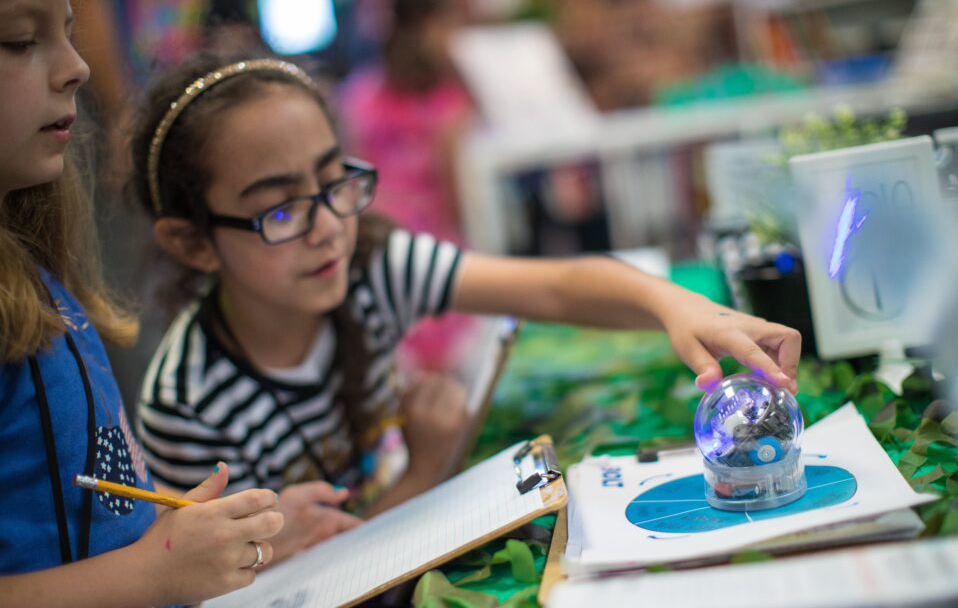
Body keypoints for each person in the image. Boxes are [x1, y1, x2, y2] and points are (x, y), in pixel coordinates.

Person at [129, 53, 801, 567]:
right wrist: (426, 466)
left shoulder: (369, 263)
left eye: (334, 182)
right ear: (193, 242)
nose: (328, 225)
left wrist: (675, 305)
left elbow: (557, 287)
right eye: (279, 208)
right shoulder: (188, 402)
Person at [0, 2, 284, 608]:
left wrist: (217, 539)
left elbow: (80, 499)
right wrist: (155, 569)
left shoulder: (32, 275)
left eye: (70, 33)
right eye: (17, 41)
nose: (77, 68)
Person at [336, 0, 478, 373]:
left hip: (375, 241)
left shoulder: (358, 94)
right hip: (431, 248)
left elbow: (352, 178)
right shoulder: (449, 104)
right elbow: (456, 195)